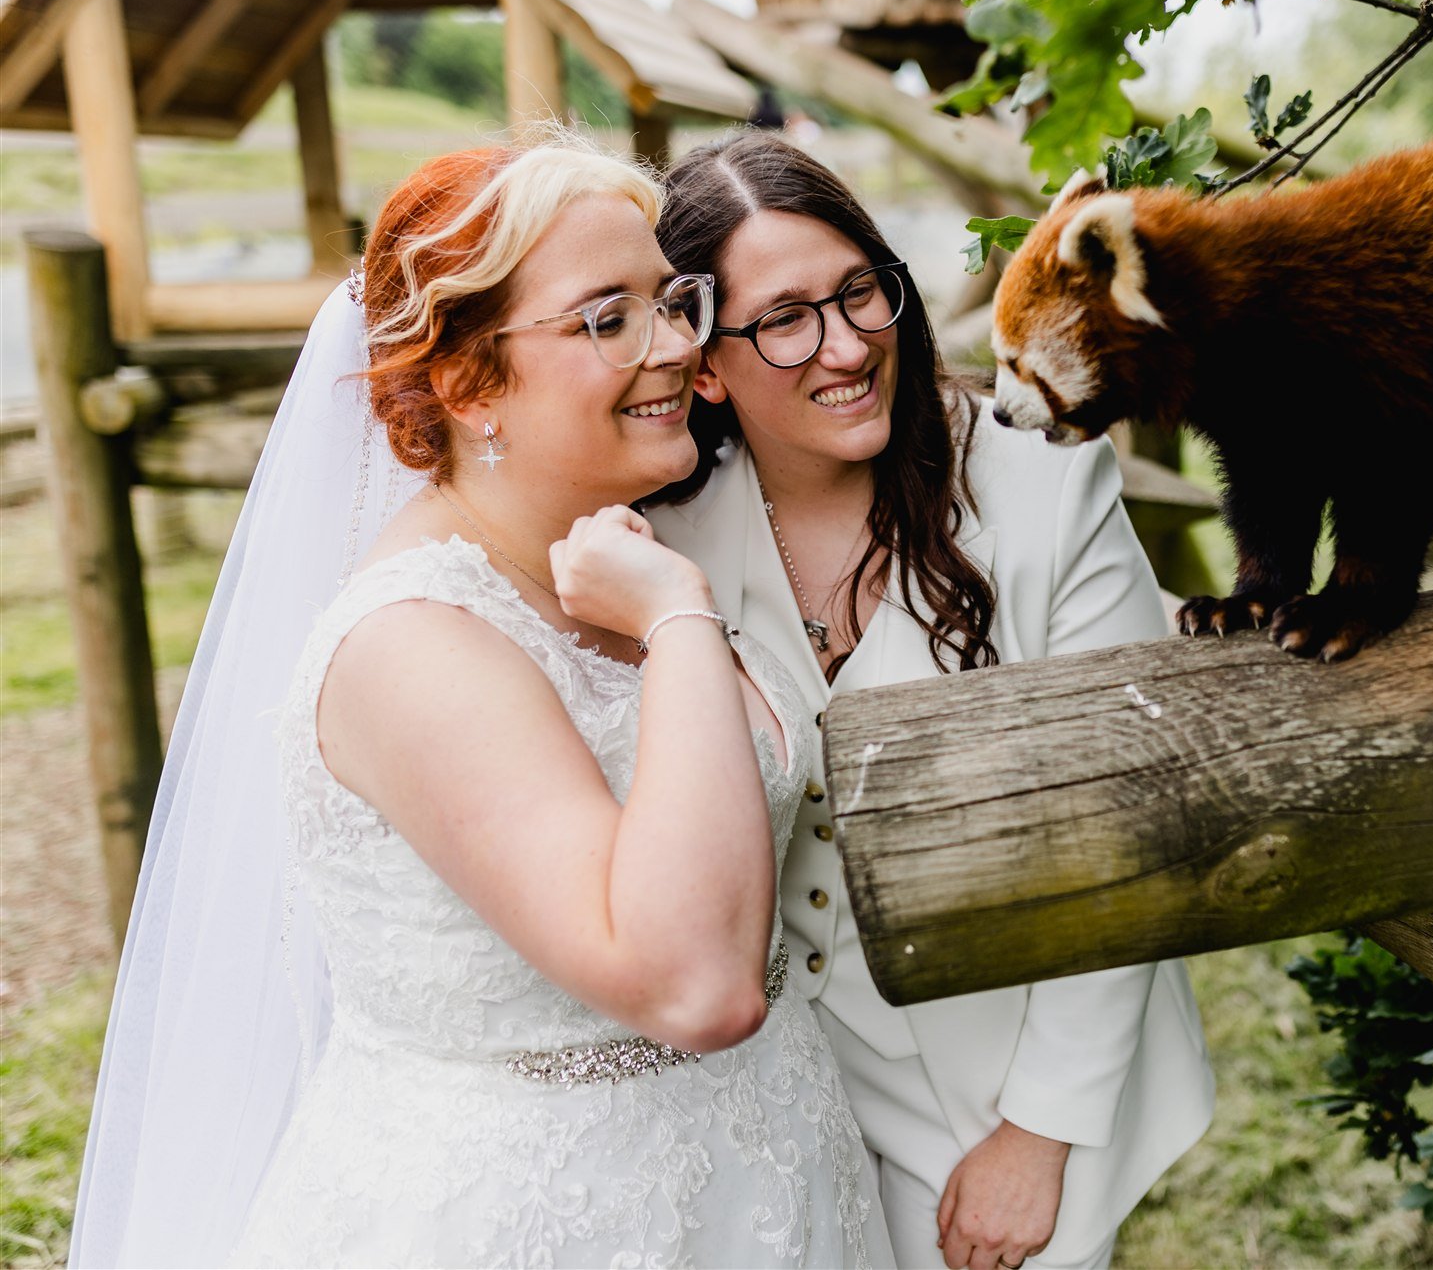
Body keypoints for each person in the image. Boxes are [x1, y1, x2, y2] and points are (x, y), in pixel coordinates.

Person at [69, 135, 892, 1268]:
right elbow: (694, 987)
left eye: (672, 302)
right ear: (466, 383)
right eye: (608, 318)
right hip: (545, 1218)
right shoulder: (415, 647)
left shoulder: (619, 552)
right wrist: (679, 623)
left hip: (772, 1176)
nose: (676, 351)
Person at [645, 131, 1215, 1270]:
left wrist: (1040, 1131)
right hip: (770, 1090)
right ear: (704, 362)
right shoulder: (662, 535)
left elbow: (1127, 828)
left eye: (860, 292)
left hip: (1005, 1078)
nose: (846, 345)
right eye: (784, 319)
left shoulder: (1046, 493)